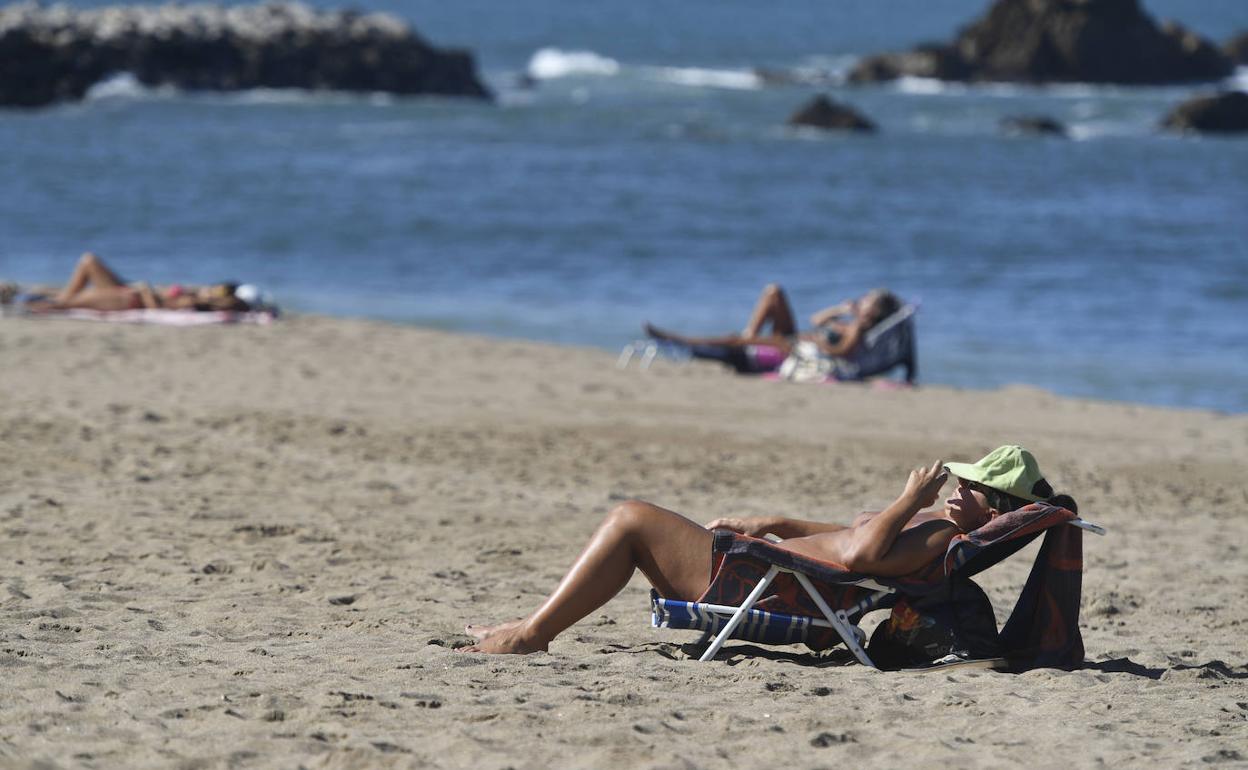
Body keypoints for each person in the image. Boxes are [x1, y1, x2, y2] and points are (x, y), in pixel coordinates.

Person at [460, 445, 1075, 655]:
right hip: (779, 570)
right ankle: (531, 624)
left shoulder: (941, 533)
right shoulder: (938, 527)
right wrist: (778, 522)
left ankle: (533, 634)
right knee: (633, 522)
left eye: (972, 487)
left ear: (994, 507)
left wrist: (908, 498)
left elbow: (858, 557)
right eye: (960, 480)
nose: (957, 489)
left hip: (772, 586)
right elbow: (850, 537)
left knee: (629, 520)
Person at [643, 284, 903, 373]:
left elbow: (840, 351)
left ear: (874, 311)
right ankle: (749, 336)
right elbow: (816, 320)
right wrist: (839, 310)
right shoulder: (849, 321)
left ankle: (676, 339)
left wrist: (818, 343)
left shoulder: (856, 328)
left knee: (732, 342)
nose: (863, 299)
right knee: (774, 293)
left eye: (868, 299)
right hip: (794, 341)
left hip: (797, 351)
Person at [24, 252, 251, 313]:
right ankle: (40, 299)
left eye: (222, 291)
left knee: (65, 304)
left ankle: (30, 303)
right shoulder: (198, 293)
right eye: (219, 286)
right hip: (130, 289)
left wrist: (146, 291)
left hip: (131, 299)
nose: (215, 289)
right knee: (89, 261)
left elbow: (156, 309)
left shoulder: (196, 304)